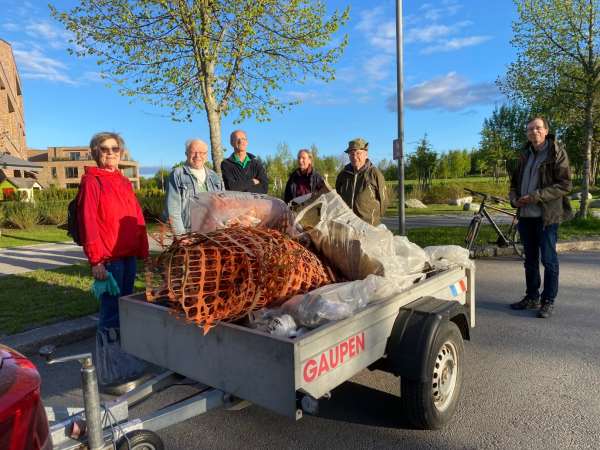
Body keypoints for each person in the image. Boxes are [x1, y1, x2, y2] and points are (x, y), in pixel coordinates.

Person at [78, 132, 149, 390]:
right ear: (96, 153)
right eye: (105, 149)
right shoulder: (92, 181)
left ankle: (125, 365)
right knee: (110, 315)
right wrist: (96, 260)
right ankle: (110, 374)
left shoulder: (122, 181)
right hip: (109, 259)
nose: (110, 153)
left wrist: (143, 249)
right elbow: (89, 224)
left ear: (121, 152)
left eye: (115, 149)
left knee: (125, 312)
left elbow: (136, 217)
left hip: (127, 256)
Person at [509, 117, 572, 318]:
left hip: (547, 217)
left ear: (546, 130)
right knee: (530, 261)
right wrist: (514, 199)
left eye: (537, 128)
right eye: (529, 129)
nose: (533, 131)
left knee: (549, 260)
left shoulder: (556, 153)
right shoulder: (524, 155)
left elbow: (564, 185)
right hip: (526, 216)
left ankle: (548, 301)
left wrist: (535, 196)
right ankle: (532, 297)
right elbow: (513, 184)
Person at [165, 139, 224, 236]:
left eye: (202, 152)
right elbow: (172, 209)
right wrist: (181, 236)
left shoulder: (215, 176)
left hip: (213, 233)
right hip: (188, 234)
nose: (198, 156)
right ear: (186, 153)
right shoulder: (177, 174)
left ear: (206, 155)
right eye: (193, 152)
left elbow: (223, 205)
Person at [335, 137, 388, 226]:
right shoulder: (343, 175)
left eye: (358, 153)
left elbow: (384, 201)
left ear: (366, 154)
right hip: (347, 225)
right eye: (351, 154)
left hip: (368, 226)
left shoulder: (375, 174)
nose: (354, 157)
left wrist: (374, 219)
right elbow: (337, 198)